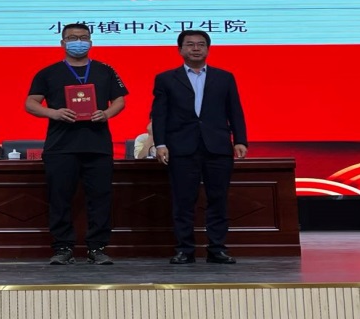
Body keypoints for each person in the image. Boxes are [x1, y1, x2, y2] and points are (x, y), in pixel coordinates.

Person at [25, 23, 127, 265]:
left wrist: (106, 113)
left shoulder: (105, 70)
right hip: (61, 146)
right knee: (59, 198)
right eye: (72, 37)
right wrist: (54, 113)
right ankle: (63, 247)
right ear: (62, 42)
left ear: (91, 42)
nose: (78, 41)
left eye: (83, 37)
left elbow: (120, 101)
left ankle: (97, 248)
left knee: (100, 198)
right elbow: (30, 103)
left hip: (98, 145)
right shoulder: (48, 73)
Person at [151, 30, 247, 266]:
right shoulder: (166, 79)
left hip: (217, 147)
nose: (196, 48)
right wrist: (160, 143)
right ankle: (185, 250)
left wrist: (240, 140)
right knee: (183, 201)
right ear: (180, 50)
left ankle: (217, 249)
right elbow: (160, 114)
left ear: (208, 49)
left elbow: (235, 110)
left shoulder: (224, 77)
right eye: (190, 44)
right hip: (181, 147)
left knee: (218, 200)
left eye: (201, 44)